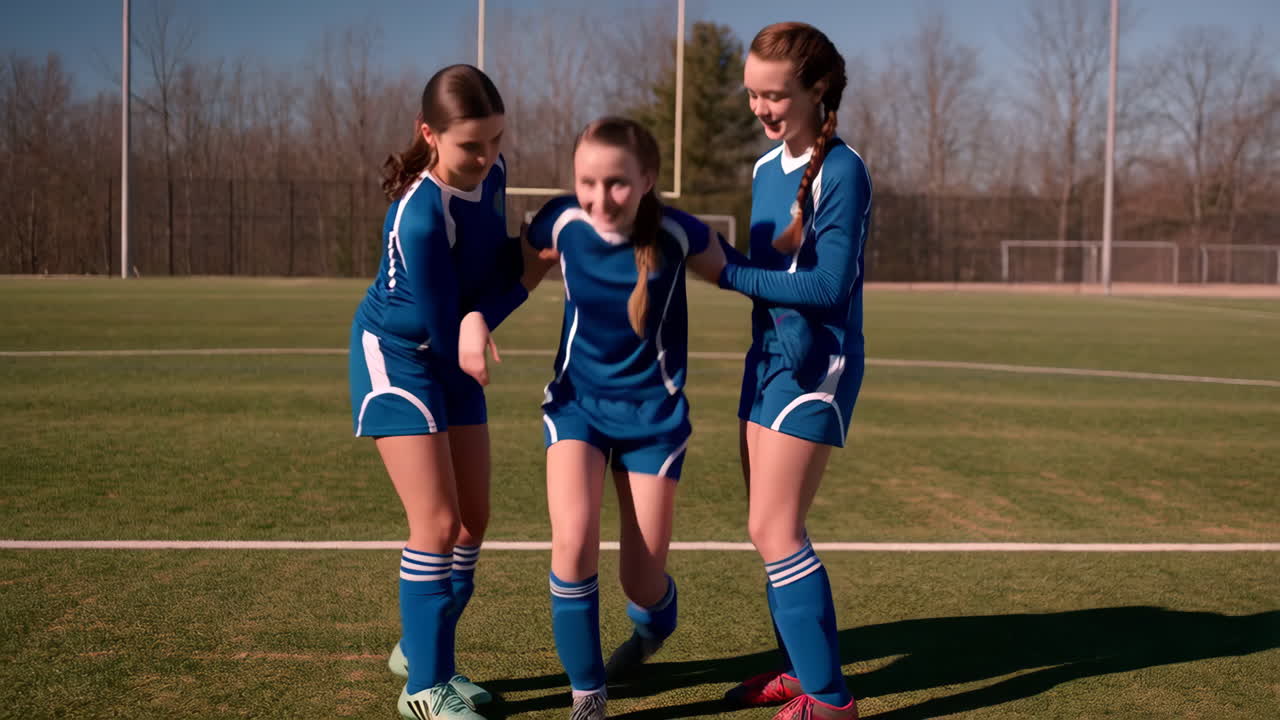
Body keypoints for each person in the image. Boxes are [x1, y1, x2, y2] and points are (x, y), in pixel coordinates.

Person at [348, 63, 552, 720]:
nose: (487, 157)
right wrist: (525, 284)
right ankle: (425, 689)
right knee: (435, 525)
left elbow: (489, 272)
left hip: (451, 351)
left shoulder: (491, 175)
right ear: (428, 134)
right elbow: (450, 325)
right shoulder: (418, 218)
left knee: (473, 521)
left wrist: (540, 246)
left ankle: (420, 646)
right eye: (471, 145)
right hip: (402, 358)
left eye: (496, 140)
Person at [696, 22, 872, 720]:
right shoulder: (766, 170)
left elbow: (830, 288)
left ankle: (830, 702)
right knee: (766, 527)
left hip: (816, 364)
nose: (761, 110)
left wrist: (730, 271)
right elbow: (770, 274)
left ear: (817, 91)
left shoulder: (844, 170)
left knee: (777, 529)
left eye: (775, 96)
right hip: (764, 359)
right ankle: (803, 671)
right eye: (751, 96)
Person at [526, 116, 723, 720]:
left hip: (653, 421)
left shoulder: (678, 235)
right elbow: (514, 280)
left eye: (615, 183)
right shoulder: (560, 221)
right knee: (573, 540)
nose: (599, 196)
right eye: (587, 181)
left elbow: (740, 274)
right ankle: (588, 697)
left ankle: (656, 621)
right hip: (577, 407)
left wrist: (813, 295)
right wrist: (471, 318)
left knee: (640, 583)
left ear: (646, 180)